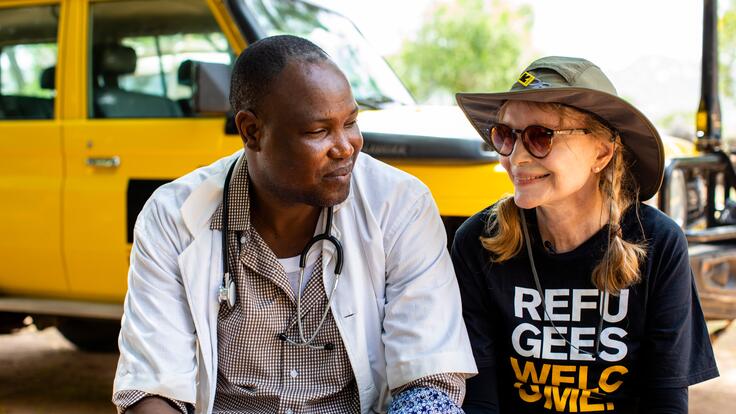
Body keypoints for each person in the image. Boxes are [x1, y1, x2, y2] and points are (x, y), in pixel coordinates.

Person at [112, 35, 477, 414]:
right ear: (252, 132)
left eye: (350, 122)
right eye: (318, 131)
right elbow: (152, 389)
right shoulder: (173, 217)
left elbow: (429, 381)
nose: (345, 147)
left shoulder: (400, 205)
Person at [452, 56, 719, 413]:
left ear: (602, 153)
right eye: (505, 135)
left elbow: (666, 400)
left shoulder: (658, 244)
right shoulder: (479, 242)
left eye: (540, 136)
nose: (515, 157)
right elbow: (479, 398)